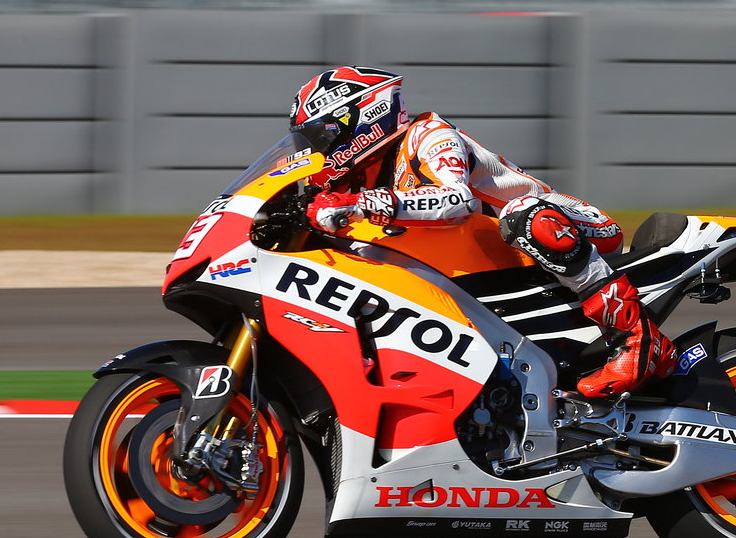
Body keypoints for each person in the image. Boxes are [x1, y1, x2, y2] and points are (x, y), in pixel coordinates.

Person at [288, 66, 675, 399]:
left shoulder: (428, 136)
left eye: (320, 137)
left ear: (365, 116)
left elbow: (458, 200)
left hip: (573, 227)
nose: (315, 149)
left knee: (524, 213)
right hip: (503, 261)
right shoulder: (363, 177)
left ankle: (637, 338)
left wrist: (365, 202)